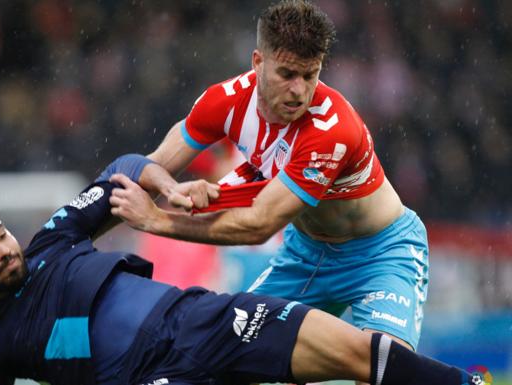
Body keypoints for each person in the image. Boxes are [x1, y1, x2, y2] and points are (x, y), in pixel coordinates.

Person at [0, 154, 473, 385]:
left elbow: (121, 172)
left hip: (201, 318)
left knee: (358, 351)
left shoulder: (54, 239)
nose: (1, 248)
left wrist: (163, 186)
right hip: (145, 377)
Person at [110, 0, 429, 366]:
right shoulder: (224, 102)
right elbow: (149, 168)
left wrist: (157, 220)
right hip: (305, 254)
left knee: (385, 364)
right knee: (225, 356)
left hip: (380, 253)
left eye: (310, 76)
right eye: (288, 74)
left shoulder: (332, 129)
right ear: (258, 62)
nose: (299, 91)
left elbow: (259, 225)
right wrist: (166, 190)